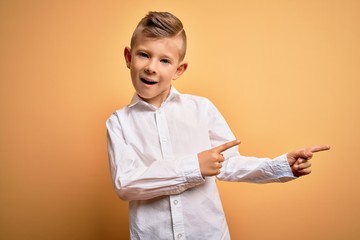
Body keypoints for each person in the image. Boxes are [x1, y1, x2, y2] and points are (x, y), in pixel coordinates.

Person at [106, 11, 330, 240]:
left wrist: (280, 166)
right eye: (144, 55)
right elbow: (126, 183)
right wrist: (194, 167)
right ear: (128, 57)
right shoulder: (118, 123)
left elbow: (230, 164)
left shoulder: (202, 109)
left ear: (178, 70)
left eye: (164, 60)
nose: (151, 67)